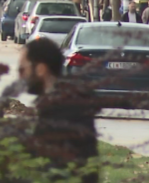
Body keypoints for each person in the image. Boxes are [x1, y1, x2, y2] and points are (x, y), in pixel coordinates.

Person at [19, 38, 99, 183]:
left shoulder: (64, 109)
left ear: (41, 69)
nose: (20, 75)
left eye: (22, 69)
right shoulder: (59, 102)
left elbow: (53, 165)